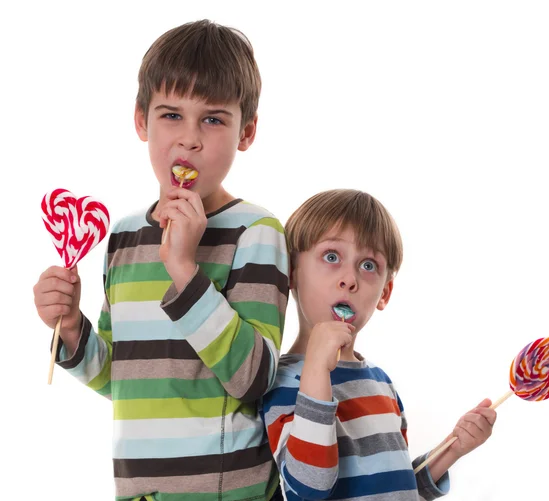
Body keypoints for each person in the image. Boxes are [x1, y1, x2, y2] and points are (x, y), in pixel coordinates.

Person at [33, 20, 288, 501]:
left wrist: (185, 270)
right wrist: (70, 328)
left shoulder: (256, 232)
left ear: (246, 131)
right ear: (141, 121)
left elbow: (254, 378)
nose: (189, 139)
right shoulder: (125, 237)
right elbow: (120, 379)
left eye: (213, 119)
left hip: (228, 493)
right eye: (171, 115)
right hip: (139, 491)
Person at [261, 189, 496, 500]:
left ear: (384, 293)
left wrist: (453, 447)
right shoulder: (282, 382)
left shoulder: (381, 383)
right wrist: (316, 369)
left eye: (368, 265)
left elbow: (399, 486)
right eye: (332, 257)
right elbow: (309, 486)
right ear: (291, 272)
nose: (349, 279)